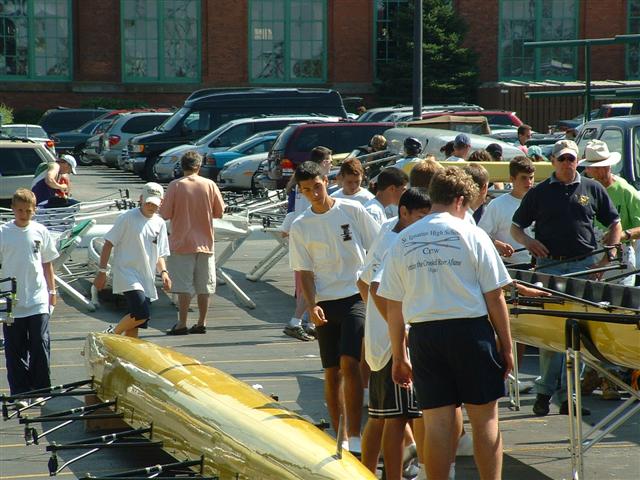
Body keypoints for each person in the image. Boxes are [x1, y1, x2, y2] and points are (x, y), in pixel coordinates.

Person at [378, 167, 514, 480]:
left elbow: (393, 305)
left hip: (424, 335)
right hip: (470, 331)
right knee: (485, 421)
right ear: (459, 200)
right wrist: (506, 346)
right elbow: (495, 298)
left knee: (437, 424)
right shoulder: (472, 233)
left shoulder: (403, 239)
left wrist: (399, 355)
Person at [511, 139, 621, 416]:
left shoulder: (592, 188)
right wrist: (529, 241)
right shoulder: (539, 192)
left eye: (571, 158)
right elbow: (516, 227)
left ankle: (566, 395)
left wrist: (606, 259)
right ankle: (547, 390)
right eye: (562, 159)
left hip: (583, 267)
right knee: (553, 333)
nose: (567, 163)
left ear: (577, 161)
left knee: (580, 334)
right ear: (553, 161)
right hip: (550, 267)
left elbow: (615, 223)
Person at [289, 161, 380, 454]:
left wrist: (374, 288)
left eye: (316, 186)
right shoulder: (300, 225)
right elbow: (304, 271)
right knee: (331, 372)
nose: (313, 193)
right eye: (306, 190)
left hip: (356, 295)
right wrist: (311, 305)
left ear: (326, 181)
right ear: (300, 192)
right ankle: (339, 436)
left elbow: (379, 246)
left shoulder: (352, 210)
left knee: (349, 363)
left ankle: (354, 436)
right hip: (325, 302)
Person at [359, 188, 431, 479]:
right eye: (420, 217)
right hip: (392, 345)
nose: (425, 223)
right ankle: (394, 476)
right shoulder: (399, 240)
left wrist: (379, 321)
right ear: (404, 212)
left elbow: (362, 282)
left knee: (379, 416)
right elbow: (376, 287)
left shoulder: (388, 229)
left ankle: (364, 473)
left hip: (380, 341)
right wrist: (396, 329)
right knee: (397, 418)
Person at [1, 189, 58, 401]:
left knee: (40, 343)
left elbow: (47, 263)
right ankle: (20, 392)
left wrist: (52, 291)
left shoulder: (40, 231)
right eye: (20, 210)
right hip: (12, 300)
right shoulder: (3, 232)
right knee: (15, 349)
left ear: (34, 210)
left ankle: (41, 389)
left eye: (28, 211)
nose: (24, 214)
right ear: (13, 209)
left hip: (37, 297)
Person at [160, 151, 225, 335]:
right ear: (199, 166)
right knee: (205, 285)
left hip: (182, 242)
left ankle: (182, 323)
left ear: (182, 166)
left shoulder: (175, 185)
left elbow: (165, 214)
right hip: (205, 241)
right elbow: (219, 212)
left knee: (183, 285)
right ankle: (202, 322)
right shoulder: (210, 185)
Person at [94, 183, 171, 338]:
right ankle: (111, 334)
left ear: (161, 202)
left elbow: (159, 254)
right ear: (141, 198)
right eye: (148, 202)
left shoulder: (159, 223)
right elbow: (108, 244)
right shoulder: (127, 218)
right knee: (141, 313)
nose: (150, 206)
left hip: (146, 276)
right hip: (126, 272)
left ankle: (127, 351)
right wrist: (102, 272)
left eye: (154, 204)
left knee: (136, 320)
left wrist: (164, 272)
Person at [282, 146, 335, 342]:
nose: (331, 164)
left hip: (305, 234)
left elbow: (293, 211)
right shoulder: (314, 185)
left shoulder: (300, 185)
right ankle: (296, 321)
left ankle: (309, 323)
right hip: (311, 237)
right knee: (310, 283)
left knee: (311, 284)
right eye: (329, 161)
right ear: (321, 164)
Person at [581, 139, 640, 287]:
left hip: (621, 257)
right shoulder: (584, 191)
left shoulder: (626, 192)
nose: (600, 171)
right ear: (588, 169)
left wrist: (622, 234)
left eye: (603, 166)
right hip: (591, 256)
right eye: (595, 167)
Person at [479, 156, 535, 266]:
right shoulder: (497, 205)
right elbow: (480, 234)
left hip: (539, 265)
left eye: (531, 177)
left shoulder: (541, 202)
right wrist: (498, 245)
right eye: (523, 178)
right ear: (512, 179)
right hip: (509, 267)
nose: (528, 182)